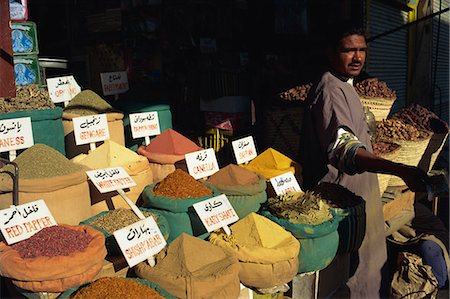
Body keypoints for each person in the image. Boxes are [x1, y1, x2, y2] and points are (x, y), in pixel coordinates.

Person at [298, 21, 431, 298]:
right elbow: (344, 149)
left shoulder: (346, 85)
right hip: (342, 204)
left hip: (360, 203)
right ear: (331, 53)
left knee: (367, 274)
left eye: (362, 49)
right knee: (351, 281)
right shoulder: (330, 89)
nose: (357, 57)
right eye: (349, 50)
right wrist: (397, 168)